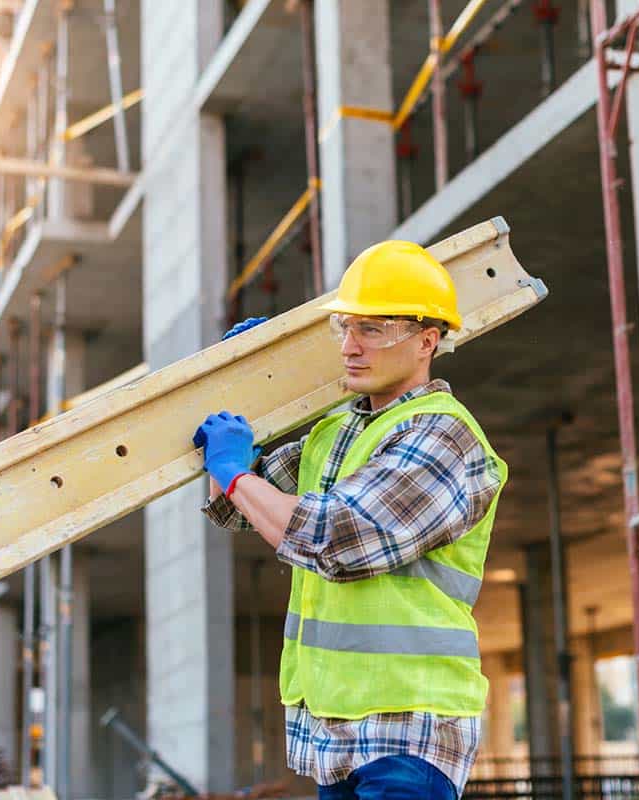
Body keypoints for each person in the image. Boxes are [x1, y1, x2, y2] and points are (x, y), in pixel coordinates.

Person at [195, 240, 508, 800]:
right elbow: (245, 509)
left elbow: (333, 538)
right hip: (332, 729)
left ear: (426, 340)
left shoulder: (442, 436)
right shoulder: (336, 431)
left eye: (374, 329)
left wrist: (236, 474)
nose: (351, 347)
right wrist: (248, 394)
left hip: (409, 727)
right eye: (345, 327)